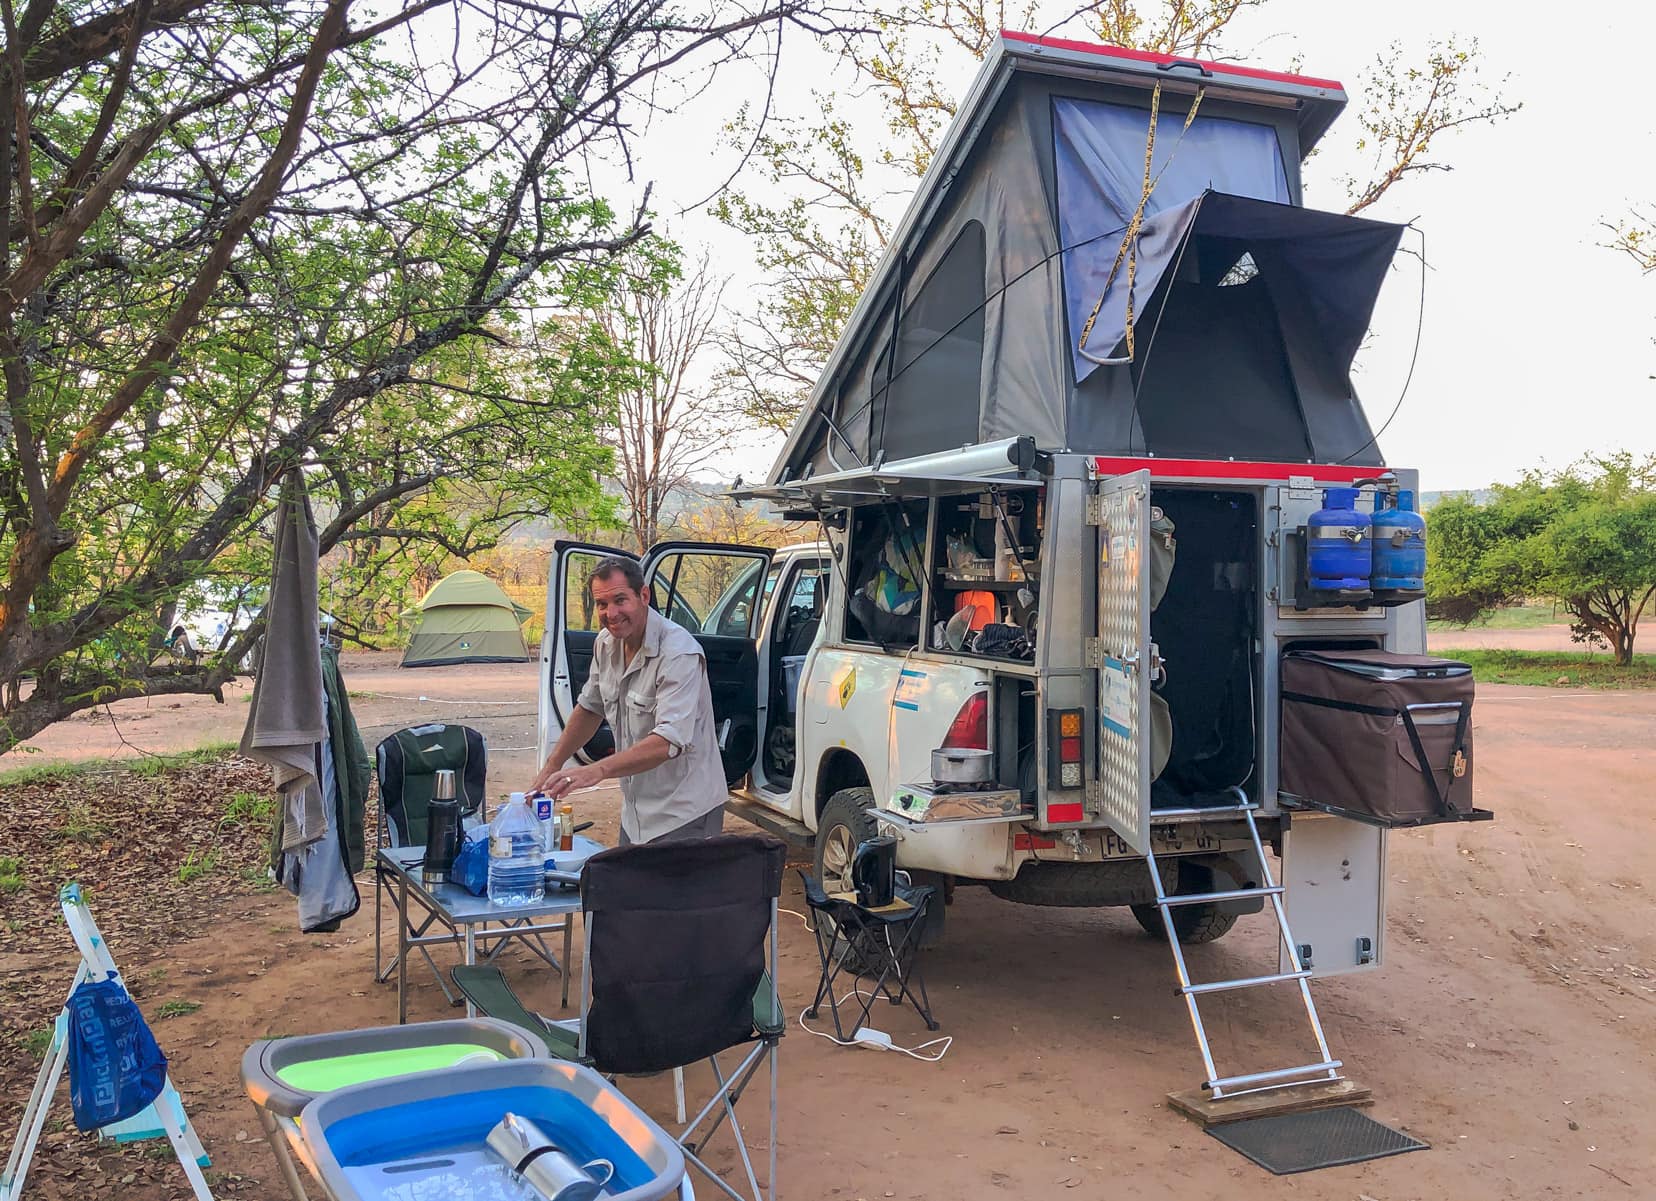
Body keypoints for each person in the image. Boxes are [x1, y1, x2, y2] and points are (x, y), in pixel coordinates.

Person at [530, 557, 727, 844]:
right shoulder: (605, 644)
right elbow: (590, 707)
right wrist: (551, 767)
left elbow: (668, 740)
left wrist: (596, 770)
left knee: (672, 889)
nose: (611, 613)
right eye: (602, 604)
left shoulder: (679, 653)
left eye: (620, 600)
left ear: (643, 595)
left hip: (685, 813)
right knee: (629, 887)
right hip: (635, 813)